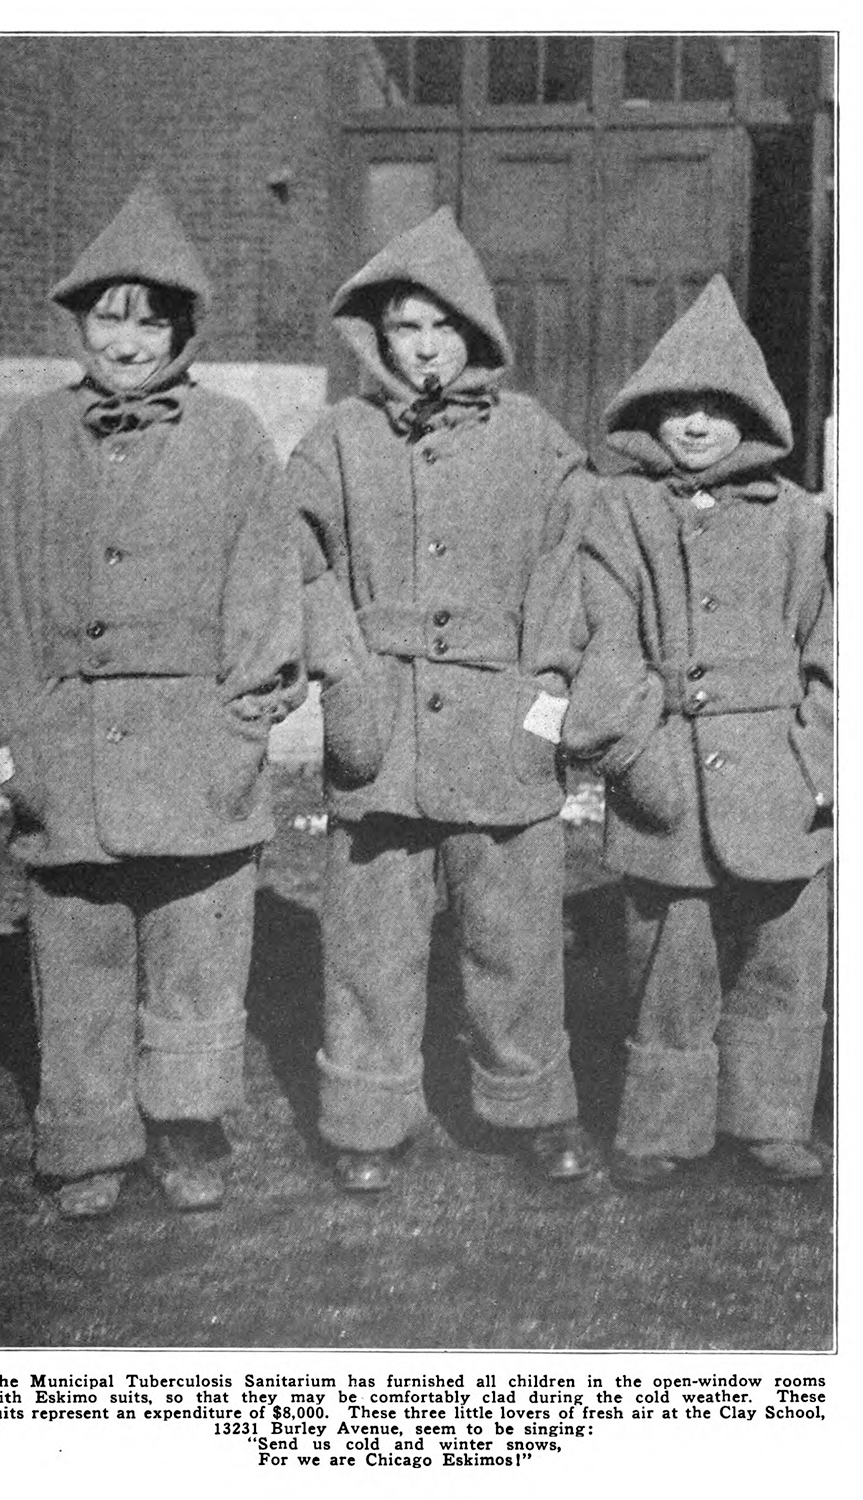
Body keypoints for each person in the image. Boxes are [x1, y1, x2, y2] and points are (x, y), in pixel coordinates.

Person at [0, 176, 305, 1218]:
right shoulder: (32, 438)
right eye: (107, 321)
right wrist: (15, 735)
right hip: (68, 743)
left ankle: (188, 1129)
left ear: (183, 329)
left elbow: (266, 586)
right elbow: (0, 597)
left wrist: (242, 724)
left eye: (148, 320)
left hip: (196, 745)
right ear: (81, 327)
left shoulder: (232, 436)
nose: (126, 343)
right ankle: (85, 1143)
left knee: (197, 948)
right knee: (78, 954)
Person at [286, 206, 598, 1193]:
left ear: (478, 333)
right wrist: (343, 667)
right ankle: (367, 1119)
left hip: (498, 728)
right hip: (382, 728)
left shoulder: (535, 439)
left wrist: (544, 693)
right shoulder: (337, 439)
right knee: (370, 943)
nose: (426, 346)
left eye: (444, 326)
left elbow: (570, 567)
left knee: (514, 939)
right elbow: (292, 561)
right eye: (406, 327)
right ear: (376, 336)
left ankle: (532, 1108)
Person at [559, 274, 833, 1187]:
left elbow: (835, 651)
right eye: (675, 408)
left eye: (719, 409)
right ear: (648, 415)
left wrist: (818, 759)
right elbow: (603, 641)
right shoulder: (618, 511)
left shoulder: (802, 522)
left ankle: (769, 1120)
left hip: (779, 779)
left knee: (782, 958)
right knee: (668, 960)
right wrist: (631, 750)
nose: (695, 426)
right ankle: (659, 1127)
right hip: (664, 768)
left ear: (753, 418)